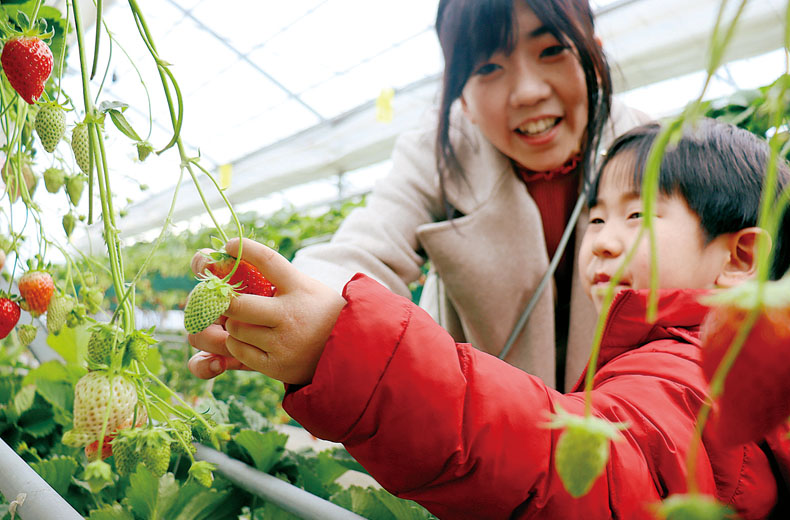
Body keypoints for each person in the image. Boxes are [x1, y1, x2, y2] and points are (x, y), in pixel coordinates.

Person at [188, 119, 790, 520]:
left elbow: (577, 469)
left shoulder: (694, 374)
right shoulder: (698, 359)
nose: (603, 243)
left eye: (637, 215)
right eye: (595, 220)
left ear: (740, 258)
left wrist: (345, 348)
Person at [187, 0, 650, 391]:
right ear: (461, 97)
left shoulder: (655, 150)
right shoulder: (442, 152)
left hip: (628, 421)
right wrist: (295, 305)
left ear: (597, 56)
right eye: (488, 66)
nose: (527, 92)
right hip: (485, 427)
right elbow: (365, 248)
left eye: (552, 50)